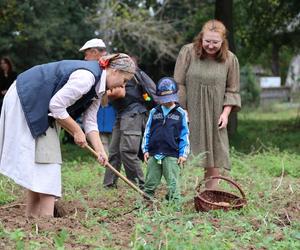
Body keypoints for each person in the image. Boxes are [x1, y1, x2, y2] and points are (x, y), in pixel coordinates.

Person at [0, 53, 135, 217]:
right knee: (48, 165)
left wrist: (100, 150)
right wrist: (76, 131)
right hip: (27, 99)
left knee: (43, 163)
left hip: (40, 106)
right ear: (114, 71)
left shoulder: (99, 89)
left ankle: (32, 218)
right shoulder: (86, 78)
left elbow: (90, 122)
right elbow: (56, 106)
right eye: (125, 80)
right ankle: (46, 222)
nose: (123, 86)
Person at [174, 19, 241, 188]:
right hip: (190, 111)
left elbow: (232, 90)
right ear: (201, 38)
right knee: (181, 148)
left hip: (215, 113)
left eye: (215, 42)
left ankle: (209, 193)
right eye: (207, 41)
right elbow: (178, 83)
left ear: (223, 41)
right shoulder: (188, 52)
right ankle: (176, 191)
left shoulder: (230, 59)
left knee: (214, 153)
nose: (210, 45)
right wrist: (183, 109)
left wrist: (225, 114)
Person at [103, 56, 157, 189]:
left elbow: (120, 92)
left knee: (127, 150)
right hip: (122, 113)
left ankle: (139, 185)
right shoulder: (114, 71)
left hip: (133, 113)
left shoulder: (123, 74)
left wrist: (99, 94)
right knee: (114, 151)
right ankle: (109, 184)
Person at [141, 77, 189, 200]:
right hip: (154, 152)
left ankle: (174, 204)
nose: (167, 102)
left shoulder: (181, 113)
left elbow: (184, 135)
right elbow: (147, 132)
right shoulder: (154, 112)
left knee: (173, 182)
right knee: (150, 181)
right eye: (164, 99)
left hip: (172, 154)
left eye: (170, 99)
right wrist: (145, 150)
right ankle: (147, 201)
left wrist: (183, 154)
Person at [79, 38, 116, 153]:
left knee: (113, 145)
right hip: (98, 116)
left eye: (86, 54)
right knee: (102, 141)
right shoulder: (91, 74)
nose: (85, 58)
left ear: (95, 52)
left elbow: (119, 92)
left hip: (110, 116)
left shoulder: (111, 68)